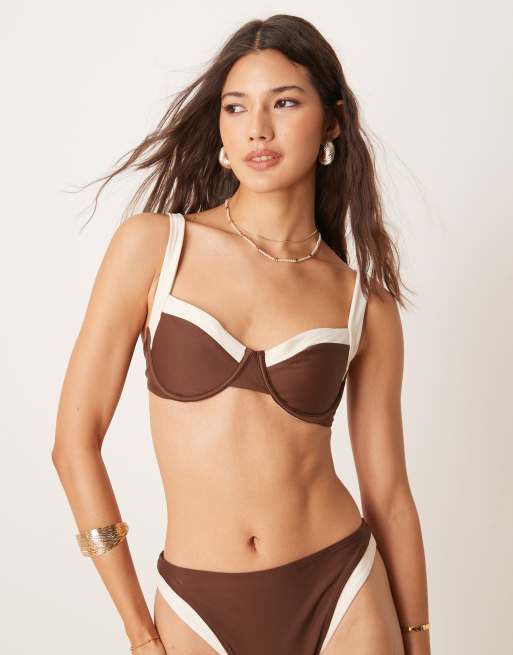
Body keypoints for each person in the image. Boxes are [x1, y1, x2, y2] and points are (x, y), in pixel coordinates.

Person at [52, 13, 431, 655]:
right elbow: (73, 445)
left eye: (284, 102)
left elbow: (390, 496)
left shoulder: (363, 304)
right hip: (195, 606)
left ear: (332, 121)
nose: (258, 127)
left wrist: (418, 639)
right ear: (221, 127)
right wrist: (139, 633)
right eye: (236, 107)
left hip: (343, 592)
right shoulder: (155, 247)